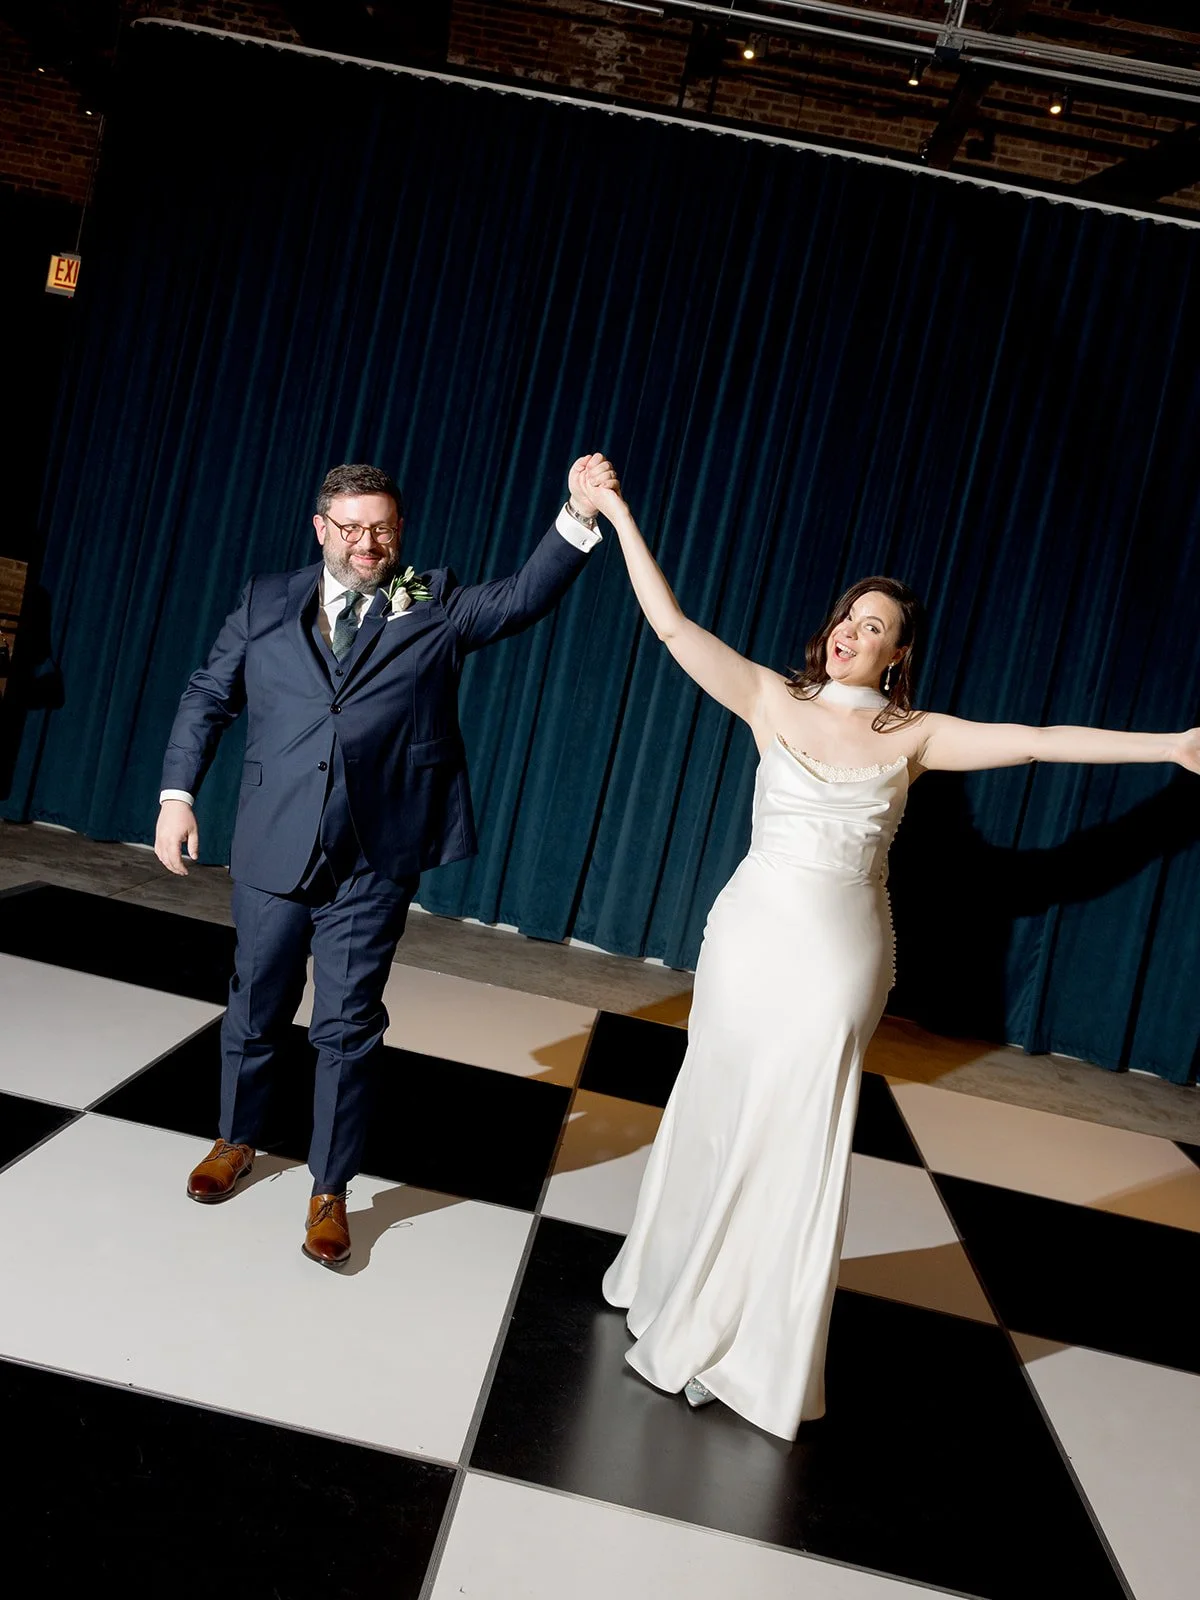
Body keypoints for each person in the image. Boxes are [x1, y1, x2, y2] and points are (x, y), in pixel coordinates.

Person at [581, 460, 1200, 1442]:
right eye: (848, 615)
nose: (852, 631)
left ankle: (755, 1344)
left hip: (840, 959)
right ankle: (669, 1279)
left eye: (875, 626)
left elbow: (1038, 741)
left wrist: (1170, 744)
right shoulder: (768, 698)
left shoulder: (915, 734)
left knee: (794, 1131)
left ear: (898, 655)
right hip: (748, 940)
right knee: (716, 1104)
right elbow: (670, 626)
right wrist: (612, 511)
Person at [154, 458, 604, 1267]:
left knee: (347, 1024)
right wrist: (176, 796)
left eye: (383, 529)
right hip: (274, 842)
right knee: (256, 1005)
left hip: (374, 857)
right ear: (322, 529)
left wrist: (574, 512)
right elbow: (207, 694)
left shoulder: (426, 598)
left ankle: (329, 1189)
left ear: (400, 532)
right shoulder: (265, 599)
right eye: (352, 528)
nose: (369, 543)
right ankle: (236, 1138)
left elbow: (521, 598)